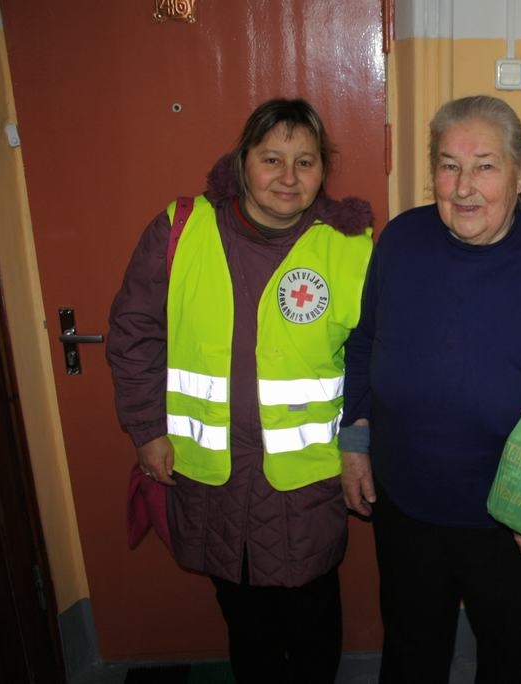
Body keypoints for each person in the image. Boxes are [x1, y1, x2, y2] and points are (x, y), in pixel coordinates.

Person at [107, 98, 374, 683]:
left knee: (312, 627)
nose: (287, 177)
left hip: (307, 481)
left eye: (305, 162)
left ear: (323, 173)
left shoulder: (352, 248)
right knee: (246, 627)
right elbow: (134, 332)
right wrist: (147, 430)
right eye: (271, 158)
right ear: (241, 163)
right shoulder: (182, 229)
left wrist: (362, 443)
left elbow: (372, 356)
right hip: (212, 477)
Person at [339, 95, 521, 683]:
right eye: (448, 164)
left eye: (484, 165)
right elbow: (364, 343)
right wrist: (356, 440)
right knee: (410, 655)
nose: (463, 187)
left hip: (515, 522)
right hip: (407, 508)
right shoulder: (401, 241)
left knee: (515, 664)